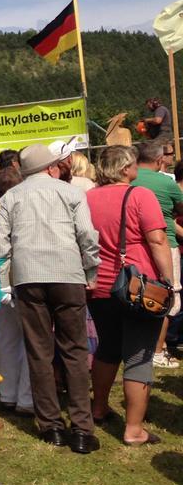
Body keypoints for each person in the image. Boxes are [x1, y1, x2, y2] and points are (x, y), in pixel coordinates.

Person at [0, 144, 101, 453]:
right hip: (67, 275)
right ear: (51, 168)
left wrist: (3, 284)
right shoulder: (71, 193)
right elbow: (87, 236)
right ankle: (81, 427)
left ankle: (50, 424)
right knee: (74, 350)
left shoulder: (12, 196)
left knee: (39, 351)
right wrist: (91, 270)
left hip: (29, 277)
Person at [86, 145, 174, 445]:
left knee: (108, 347)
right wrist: (169, 281)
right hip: (138, 288)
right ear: (126, 168)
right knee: (139, 354)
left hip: (100, 286)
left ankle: (98, 407)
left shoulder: (87, 198)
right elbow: (158, 239)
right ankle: (134, 429)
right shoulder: (139, 195)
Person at [0, 167, 33, 415]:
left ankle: (8, 393)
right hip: (22, 277)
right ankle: (26, 397)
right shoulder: (20, 207)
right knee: (29, 339)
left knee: (6, 338)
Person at [132, 141, 183, 369]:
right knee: (168, 297)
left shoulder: (129, 179)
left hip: (135, 246)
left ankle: (138, 346)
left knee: (137, 293)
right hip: (165, 242)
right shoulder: (165, 182)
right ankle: (158, 350)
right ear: (160, 160)